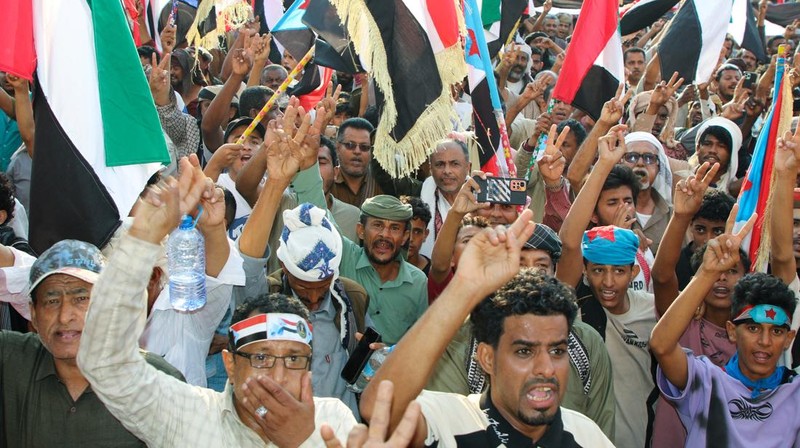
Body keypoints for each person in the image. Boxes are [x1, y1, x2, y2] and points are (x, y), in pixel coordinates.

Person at [77, 155, 356, 447]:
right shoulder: (187, 415)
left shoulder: (332, 421)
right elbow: (104, 364)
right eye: (261, 358)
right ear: (231, 365)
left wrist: (301, 441)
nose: (279, 377)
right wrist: (143, 239)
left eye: (294, 359)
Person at [358, 209, 614, 447]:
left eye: (557, 351)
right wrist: (465, 287)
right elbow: (381, 406)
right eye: (524, 352)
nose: (547, 368)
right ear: (487, 358)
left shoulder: (587, 436)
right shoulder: (453, 421)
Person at [426, 219, 617, 441]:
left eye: (540, 266)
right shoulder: (462, 340)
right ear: (486, 357)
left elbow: (602, 422)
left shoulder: (587, 342)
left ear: (554, 272)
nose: (529, 274)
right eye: (519, 262)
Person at [2, 239, 185, 447]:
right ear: (34, 314)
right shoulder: (11, 360)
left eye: (81, 299)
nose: (64, 317)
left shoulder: (160, 383)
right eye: (52, 301)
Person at [236, 136, 370, 416]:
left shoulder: (352, 299)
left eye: (322, 288)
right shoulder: (267, 298)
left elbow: (358, 382)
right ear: (284, 267)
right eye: (302, 287)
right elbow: (248, 263)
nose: (312, 298)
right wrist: (275, 182)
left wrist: (373, 364)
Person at [650, 206, 800, 447]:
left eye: (776, 331)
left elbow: (783, 258)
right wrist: (708, 272)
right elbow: (661, 345)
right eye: (752, 328)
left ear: (789, 338)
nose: (764, 341)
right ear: (732, 331)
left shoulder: (795, 392)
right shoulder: (706, 382)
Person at [558, 130, 658, 448]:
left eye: (619, 271)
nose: (609, 282)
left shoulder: (652, 309)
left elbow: (667, 279)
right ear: (585, 272)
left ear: (633, 271)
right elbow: (570, 241)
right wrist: (603, 163)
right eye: (599, 270)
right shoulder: (576, 303)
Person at [619, 132, 673, 253]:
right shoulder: (609, 208)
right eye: (632, 157)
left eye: (649, 158)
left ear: (659, 166)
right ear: (621, 161)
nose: (640, 163)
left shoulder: (672, 214)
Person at [418, 139, 470, 257]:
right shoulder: (420, 193)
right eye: (440, 164)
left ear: (468, 167)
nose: (447, 171)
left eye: (454, 164)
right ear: (431, 169)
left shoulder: (481, 198)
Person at [400, 196, 432, 275]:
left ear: (425, 234)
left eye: (417, 232)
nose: (410, 238)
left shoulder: (434, 273)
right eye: (405, 230)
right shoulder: (381, 266)